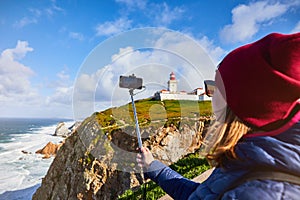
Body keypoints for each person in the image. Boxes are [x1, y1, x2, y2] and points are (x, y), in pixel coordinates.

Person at [136, 32, 300, 199]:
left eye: (217, 87)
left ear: (243, 104)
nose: (211, 96)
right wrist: (154, 167)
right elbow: (202, 195)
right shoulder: (252, 160)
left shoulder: (256, 191)